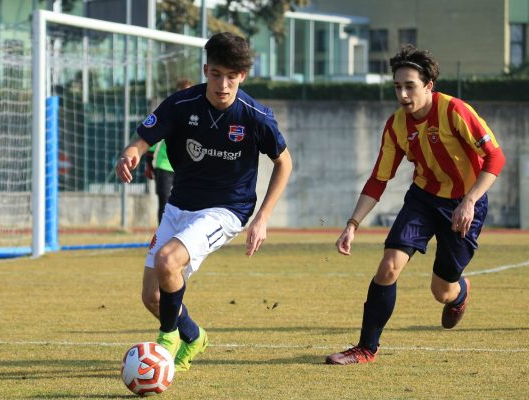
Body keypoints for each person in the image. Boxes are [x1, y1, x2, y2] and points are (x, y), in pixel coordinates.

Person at [116, 32, 292, 371]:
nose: (222, 84)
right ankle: (194, 336)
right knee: (151, 296)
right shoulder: (182, 104)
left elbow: (285, 162)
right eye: (216, 74)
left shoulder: (256, 116)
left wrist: (263, 217)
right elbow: (143, 139)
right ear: (205, 69)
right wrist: (131, 153)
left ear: (242, 75)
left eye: (231, 76)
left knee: (169, 262)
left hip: (226, 210)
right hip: (179, 206)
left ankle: (166, 339)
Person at [326, 44, 505, 365]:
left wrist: (470, 200)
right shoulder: (395, 125)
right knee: (388, 267)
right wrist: (352, 225)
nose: (403, 95)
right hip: (422, 199)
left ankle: (460, 293)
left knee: (442, 290)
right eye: (398, 87)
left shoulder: (454, 111)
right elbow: (379, 179)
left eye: (410, 86)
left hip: (465, 204)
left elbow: (495, 156)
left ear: (428, 87)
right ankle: (366, 348)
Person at [144, 79, 194, 223]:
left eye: (189, 92)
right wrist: (148, 162)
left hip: (186, 168)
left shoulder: (198, 114)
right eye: (182, 92)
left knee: (187, 204)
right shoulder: (169, 111)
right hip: (164, 165)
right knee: (165, 203)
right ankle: (162, 237)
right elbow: (153, 136)